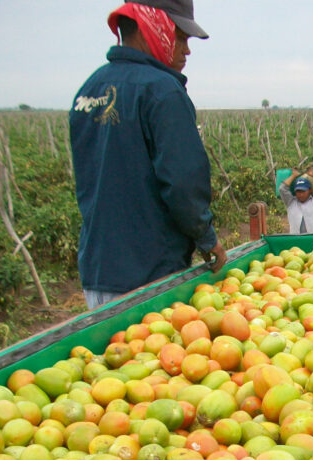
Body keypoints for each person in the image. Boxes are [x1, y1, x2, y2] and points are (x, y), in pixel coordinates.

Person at [70, 0, 226, 309]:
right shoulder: (162, 91)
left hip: (97, 274)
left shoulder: (90, 89)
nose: (187, 50)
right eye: (180, 36)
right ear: (152, 27)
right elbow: (182, 182)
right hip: (150, 275)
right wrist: (206, 238)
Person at [279, 169, 313, 234]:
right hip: (295, 240)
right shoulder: (290, 202)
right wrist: (293, 176)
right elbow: (282, 188)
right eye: (298, 191)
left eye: (303, 191)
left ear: (310, 190)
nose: (301, 194)